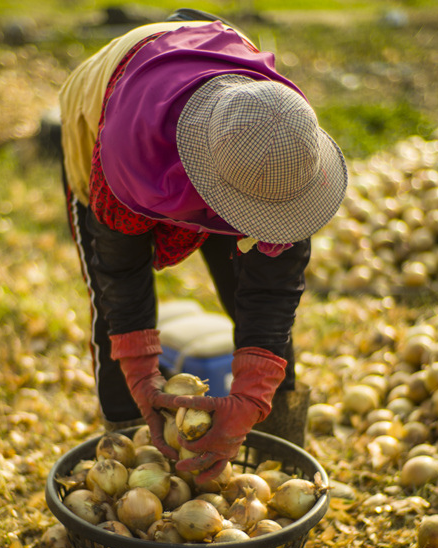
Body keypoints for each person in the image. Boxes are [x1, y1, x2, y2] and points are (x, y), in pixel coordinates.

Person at [58, 9, 347, 483]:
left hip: (214, 97)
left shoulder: (285, 146)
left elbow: (273, 289)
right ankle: (127, 458)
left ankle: (280, 458)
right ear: (209, 186)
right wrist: (140, 372)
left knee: (254, 304)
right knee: (114, 320)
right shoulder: (130, 155)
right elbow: (120, 272)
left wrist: (252, 395)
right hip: (113, 102)